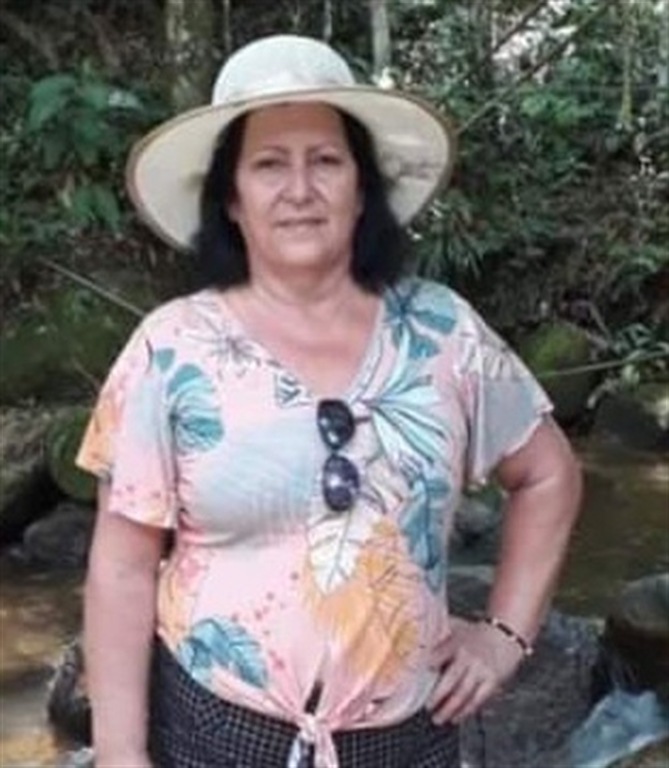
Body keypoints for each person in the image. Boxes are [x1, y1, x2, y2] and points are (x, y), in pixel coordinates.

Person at [77, 34, 582, 768]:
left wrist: (504, 635)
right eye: (268, 165)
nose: (299, 189)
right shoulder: (171, 349)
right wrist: (120, 755)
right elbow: (122, 568)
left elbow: (548, 474)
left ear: (361, 188)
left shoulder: (443, 332)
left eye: (325, 161)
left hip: (410, 739)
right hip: (214, 735)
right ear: (231, 198)